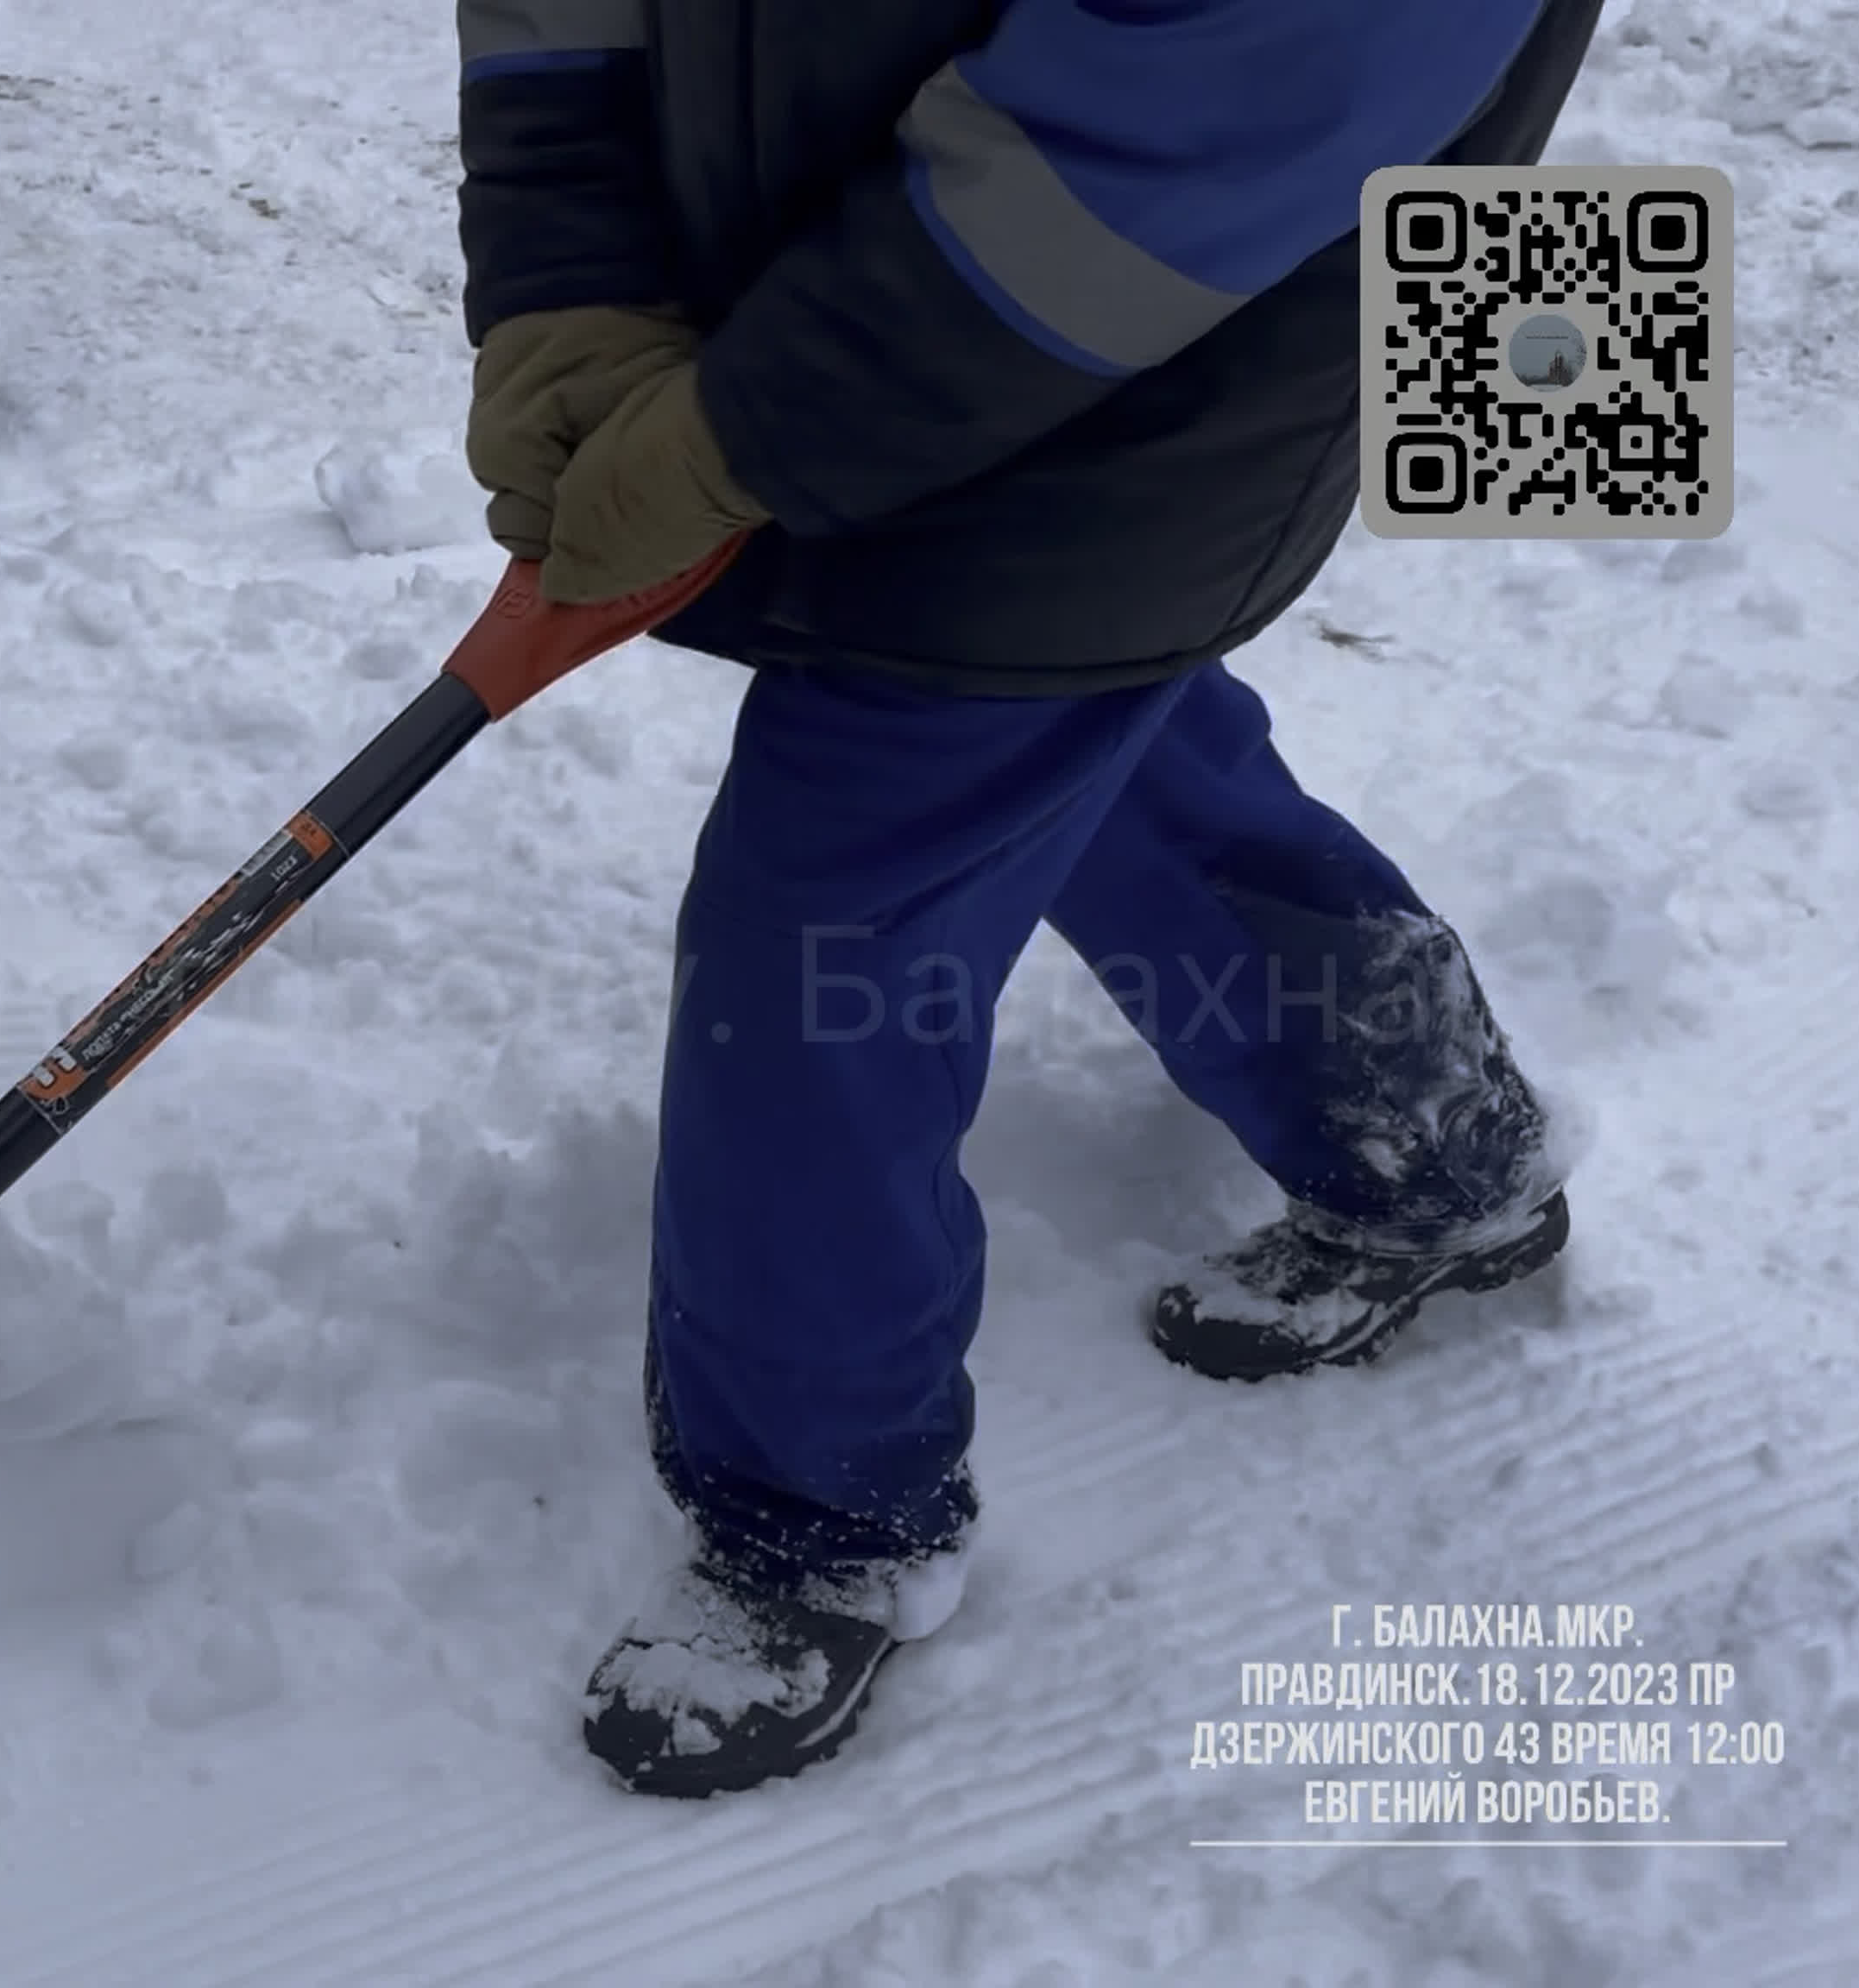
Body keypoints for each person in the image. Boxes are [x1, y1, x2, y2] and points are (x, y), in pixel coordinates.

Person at [455, 0, 1601, 1797]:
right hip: (823, 298)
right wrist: (568, 268)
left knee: (826, 918)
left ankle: (818, 1513)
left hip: (1173, 347)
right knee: (1099, 747)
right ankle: (1424, 1144)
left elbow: (1236, 82)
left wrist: (754, 423)